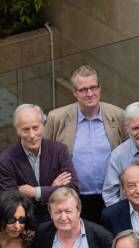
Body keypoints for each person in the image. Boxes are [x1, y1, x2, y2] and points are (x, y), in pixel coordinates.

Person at [44, 64, 127, 223]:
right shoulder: (57, 119)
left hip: (111, 197)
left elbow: (129, 153)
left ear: (99, 88)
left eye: (93, 87)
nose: (90, 93)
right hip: (75, 198)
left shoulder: (118, 115)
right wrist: (51, 184)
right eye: (83, 90)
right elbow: (45, 157)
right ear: (74, 92)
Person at [0, 104, 77, 222]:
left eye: (35, 128)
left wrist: (36, 192)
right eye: (26, 130)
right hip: (27, 225)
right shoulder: (6, 160)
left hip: (59, 221)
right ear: (17, 130)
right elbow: (10, 202)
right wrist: (53, 188)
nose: (32, 135)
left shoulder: (59, 150)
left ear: (43, 126)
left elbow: (73, 189)